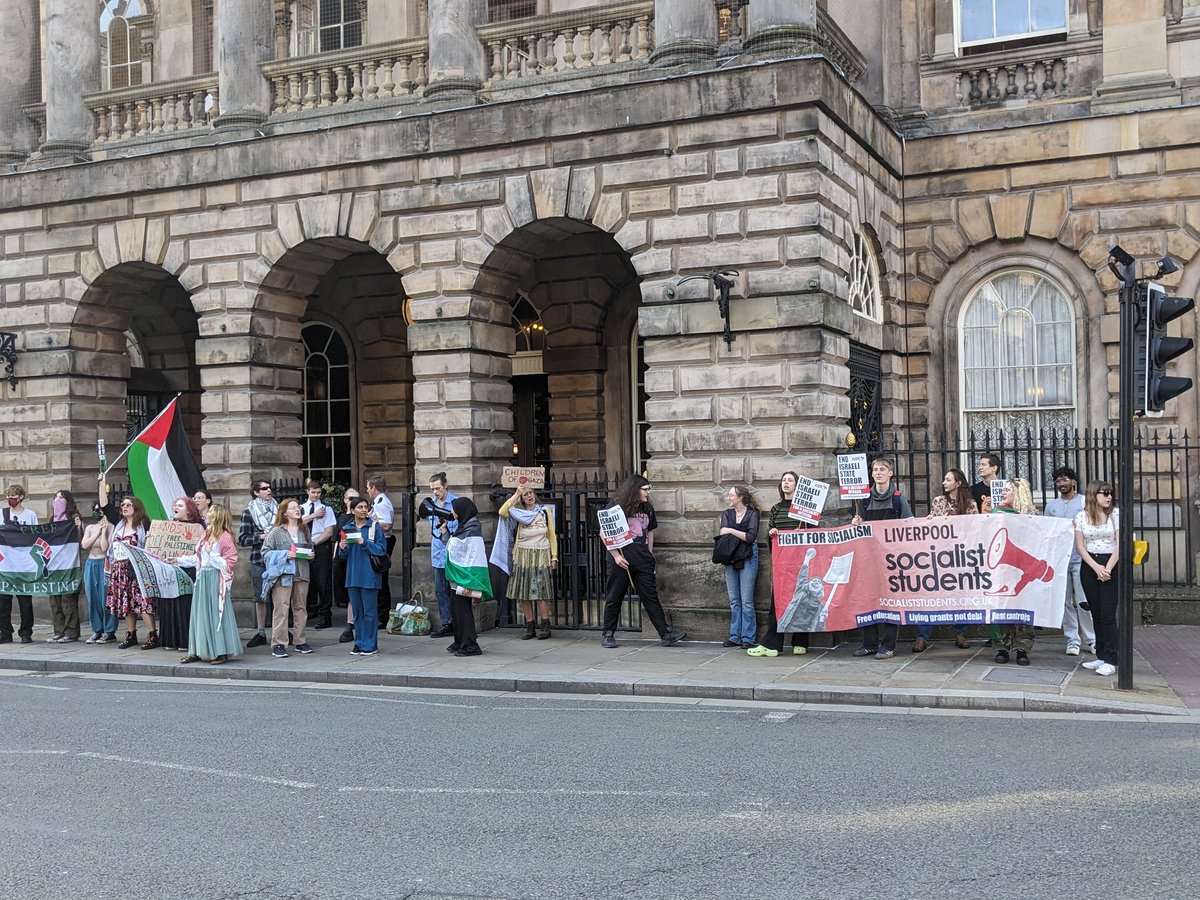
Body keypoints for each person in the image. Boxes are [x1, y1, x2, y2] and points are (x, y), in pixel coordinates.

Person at [600, 475, 686, 650]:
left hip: (642, 559)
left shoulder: (647, 508)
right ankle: (608, 633)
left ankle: (665, 633)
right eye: (645, 489)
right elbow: (604, 532)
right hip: (621, 560)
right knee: (614, 597)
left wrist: (649, 552)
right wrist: (616, 556)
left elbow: (651, 530)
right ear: (635, 490)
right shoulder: (616, 507)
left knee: (650, 597)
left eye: (648, 489)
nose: (648, 492)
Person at [850, 457, 914, 659]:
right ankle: (869, 643)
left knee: (890, 602)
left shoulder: (897, 498)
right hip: (869, 559)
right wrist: (856, 521)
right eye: (875, 469)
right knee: (867, 600)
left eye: (882, 469)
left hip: (891, 560)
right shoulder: (864, 499)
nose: (878, 472)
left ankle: (888, 645)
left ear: (890, 473)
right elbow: (860, 524)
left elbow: (909, 525)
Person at [913, 468, 977, 652]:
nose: (944, 483)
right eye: (944, 479)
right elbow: (934, 527)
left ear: (958, 483)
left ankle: (960, 633)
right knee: (931, 595)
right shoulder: (939, 502)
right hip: (940, 556)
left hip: (962, 556)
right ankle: (922, 636)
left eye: (948, 480)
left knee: (961, 595)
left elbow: (974, 528)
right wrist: (931, 521)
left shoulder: (970, 504)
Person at [748, 472, 809, 658]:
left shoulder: (804, 509)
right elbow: (769, 533)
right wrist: (772, 533)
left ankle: (801, 641)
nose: (786, 483)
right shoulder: (775, 509)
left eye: (790, 480)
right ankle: (772, 643)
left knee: (802, 599)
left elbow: (814, 533)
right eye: (784, 480)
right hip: (781, 563)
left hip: (800, 561)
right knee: (778, 601)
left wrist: (803, 530)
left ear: (797, 485)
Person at [178, 504, 243, 665]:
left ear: (218, 516)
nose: (207, 515)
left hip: (215, 578)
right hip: (203, 578)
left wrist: (211, 553)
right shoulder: (206, 535)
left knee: (215, 614)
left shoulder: (225, 537)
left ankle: (220, 651)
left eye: (211, 513)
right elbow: (198, 558)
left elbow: (229, 563)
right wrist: (178, 560)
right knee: (199, 614)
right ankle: (197, 651)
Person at [98, 478, 156, 649]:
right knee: (126, 603)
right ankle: (131, 635)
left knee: (143, 603)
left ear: (136, 508)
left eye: (128, 505)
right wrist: (102, 485)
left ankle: (153, 634)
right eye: (123, 505)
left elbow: (151, 544)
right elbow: (105, 506)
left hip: (137, 568)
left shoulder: (144, 525)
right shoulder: (119, 523)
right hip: (119, 568)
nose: (124, 507)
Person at [1044, 465, 1095, 657]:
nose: (1061, 484)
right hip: (1060, 559)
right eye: (1058, 481)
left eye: (1065, 479)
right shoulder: (1052, 506)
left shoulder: (1084, 502)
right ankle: (1072, 639)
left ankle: (1092, 639)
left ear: (1074, 481)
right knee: (1065, 602)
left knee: (1083, 601)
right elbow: (1047, 532)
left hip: (1080, 557)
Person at [498, 485, 557, 640]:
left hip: (541, 554)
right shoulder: (518, 513)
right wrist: (516, 494)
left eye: (530, 493)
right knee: (523, 593)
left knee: (540, 592)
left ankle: (545, 625)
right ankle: (530, 626)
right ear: (522, 499)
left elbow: (552, 535)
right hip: (522, 554)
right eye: (525, 495)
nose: (529, 496)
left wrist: (554, 556)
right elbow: (502, 512)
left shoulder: (545, 511)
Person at [989, 476, 1037, 665]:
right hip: (1002, 571)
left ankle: (1022, 648)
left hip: (1023, 568)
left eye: (1008, 490)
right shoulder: (996, 512)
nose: (1003, 492)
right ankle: (1002, 647)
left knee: (1022, 609)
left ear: (1018, 494)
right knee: (1001, 609)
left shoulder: (1031, 515)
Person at [1076, 481, 1120, 678]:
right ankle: (1101, 655)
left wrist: (1107, 568)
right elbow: (1080, 546)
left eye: (1110, 493)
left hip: (1110, 562)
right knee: (1096, 613)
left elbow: (1120, 544)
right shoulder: (1081, 517)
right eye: (1104, 493)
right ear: (1094, 495)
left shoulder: (1115, 515)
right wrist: (1095, 567)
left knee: (1109, 615)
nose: (1108, 497)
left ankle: (1112, 659)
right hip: (1090, 565)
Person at [262, 498, 314, 659]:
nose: (297, 509)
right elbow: (265, 553)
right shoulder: (276, 531)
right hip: (283, 574)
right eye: (293, 508)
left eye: (298, 507)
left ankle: (300, 641)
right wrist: (285, 554)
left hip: (302, 572)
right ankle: (278, 643)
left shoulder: (304, 529)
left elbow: (309, 547)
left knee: (300, 608)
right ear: (285, 512)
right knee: (281, 608)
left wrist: (311, 554)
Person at [338, 495, 386, 658]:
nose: (364, 510)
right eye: (360, 507)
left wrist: (363, 543)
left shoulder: (374, 527)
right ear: (352, 510)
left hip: (370, 575)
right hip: (352, 575)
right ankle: (358, 643)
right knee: (357, 612)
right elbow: (342, 556)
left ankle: (370, 644)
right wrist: (343, 547)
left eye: (366, 507)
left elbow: (381, 549)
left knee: (370, 612)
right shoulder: (347, 528)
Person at [442, 497, 488, 657]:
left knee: (463, 611)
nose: (452, 512)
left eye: (454, 509)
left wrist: (449, 538)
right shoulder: (464, 526)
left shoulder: (472, 527)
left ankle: (470, 645)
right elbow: (453, 545)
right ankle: (460, 640)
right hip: (459, 577)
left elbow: (464, 550)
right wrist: (444, 533)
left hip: (465, 577)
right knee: (456, 610)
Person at [156, 496, 203, 652]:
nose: (175, 507)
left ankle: (185, 640)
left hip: (186, 570)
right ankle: (170, 639)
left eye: (180, 505)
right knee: (169, 603)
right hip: (169, 572)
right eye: (175, 505)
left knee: (184, 605)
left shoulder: (198, 527)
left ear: (189, 510)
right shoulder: (169, 526)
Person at [717, 485, 760, 649]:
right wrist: (734, 532)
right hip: (731, 557)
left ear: (740, 497)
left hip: (749, 555)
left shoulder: (752, 514)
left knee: (747, 600)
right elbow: (723, 533)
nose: (729, 498)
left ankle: (748, 637)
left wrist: (731, 530)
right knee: (734, 600)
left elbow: (750, 537)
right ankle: (734, 636)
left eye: (731, 495)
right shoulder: (727, 514)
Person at [238, 479, 278, 649]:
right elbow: (242, 539)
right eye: (264, 488)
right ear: (256, 492)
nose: (269, 490)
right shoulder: (249, 511)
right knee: (260, 596)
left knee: (279, 597)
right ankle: (261, 631)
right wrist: (260, 537)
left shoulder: (279, 510)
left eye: (269, 488)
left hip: (278, 559)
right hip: (258, 558)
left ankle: (280, 630)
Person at [0, 483, 39, 644]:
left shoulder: (30, 515)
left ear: (21, 497)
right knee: (3, 601)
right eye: (8, 498)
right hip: (6, 564)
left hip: (23, 563)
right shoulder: (2, 514)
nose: (11, 500)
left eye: (14, 498)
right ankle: (5, 631)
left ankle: (26, 631)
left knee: (25, 600)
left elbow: (35, 535)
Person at [45, 490, 84, 643]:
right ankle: (59, 630)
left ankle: (71, 632)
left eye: (61, 498)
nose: (57, 500)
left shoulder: (73, 518)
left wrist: (78, 527)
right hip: (54, 565)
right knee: (55, 600)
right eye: (56, 497)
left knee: (68, 600)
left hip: (69, 565)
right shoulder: (52, 520)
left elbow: (80, 541)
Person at [302, 479, 338, 630]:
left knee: (323, 582)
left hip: (320, 545)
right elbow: (296, 523)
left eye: (318, 492)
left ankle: (325, 615)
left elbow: (329, 531)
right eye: (313, 492)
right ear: (307, 492)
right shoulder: (301, 508)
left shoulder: (326, 508)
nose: (316, 495)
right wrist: (313, 516)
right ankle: (309, 610)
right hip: (303, 546)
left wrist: (314, 544)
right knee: (305, 580)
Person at [426, 472, 458, 638]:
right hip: (437, 551)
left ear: (445, 486)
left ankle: (458, 622)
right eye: (432, 489)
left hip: (452, 551)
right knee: (440, 590)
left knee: (455, 590)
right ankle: (447, 622)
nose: (435, 492)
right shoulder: (431, 505)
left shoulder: (455, 503)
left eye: (437, 488)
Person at [81, 502, 116, 644]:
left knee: (105, 597)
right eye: (95, 509)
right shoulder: (90, 527)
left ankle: (109, 630)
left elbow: (104, 547)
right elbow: (84, 545)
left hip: (104, 563)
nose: (97, 512)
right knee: (92, 597)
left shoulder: (112, 527)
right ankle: (97, 629)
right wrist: (97, 531)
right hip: (91, 563)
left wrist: (103, 532)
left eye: (99, 510)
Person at [366, 473, 395, 630]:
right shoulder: (378, 501)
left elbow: (386, 526)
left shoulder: (382, 503)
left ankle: (383, 616)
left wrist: (372, 519)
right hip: (379, 541)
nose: (367, 490)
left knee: (381, 580)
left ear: (374, 488)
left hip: (383, 541)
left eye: (368, 487)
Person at [334, 488, 360, 643]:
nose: (353, 502)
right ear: (345, 500)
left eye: (356, 499)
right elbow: (338, 541)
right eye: (351, 499)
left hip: (361, 560)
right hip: (346, 559)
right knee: (349, 592)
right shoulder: (343, 519)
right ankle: (350, 624)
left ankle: (355, 624)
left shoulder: (369, 522)